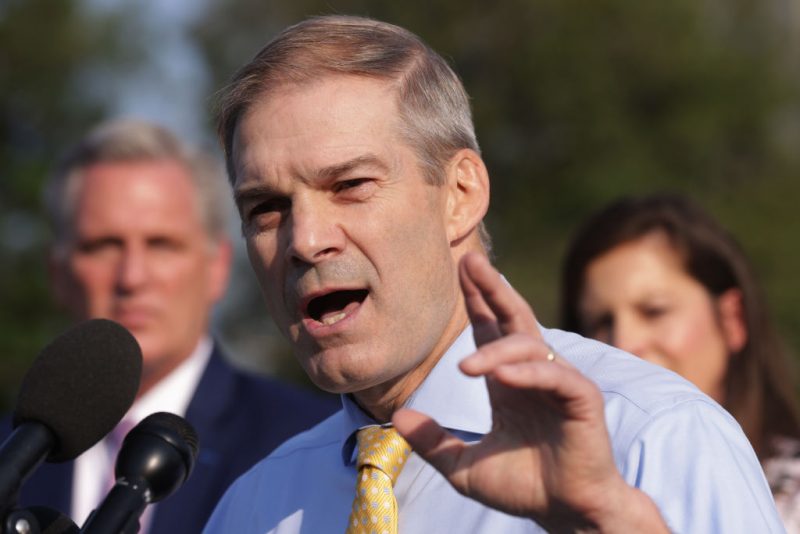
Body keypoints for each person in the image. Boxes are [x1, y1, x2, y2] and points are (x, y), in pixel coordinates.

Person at [203, 15, 783, 533]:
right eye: (265, 209)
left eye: (350, 185)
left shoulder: (653, 438)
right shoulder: (254, 506)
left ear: (461, 193)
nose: (304, 239)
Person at [3, 119, 338, 534]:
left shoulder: (314, 445)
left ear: (216, 267)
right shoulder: (10, 458)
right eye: (103, 246)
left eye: (161, 245)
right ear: (58, 273)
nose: (133, 277)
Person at [559, 193, 800, 531]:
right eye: (601, 322)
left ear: (732, 319)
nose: (624, 344)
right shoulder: (553, 503)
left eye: (654, 311)